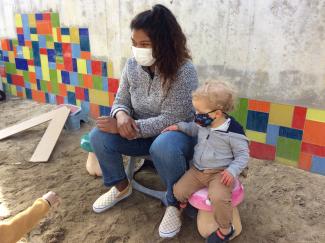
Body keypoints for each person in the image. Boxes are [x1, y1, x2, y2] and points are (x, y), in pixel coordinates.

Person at [89, 4, 198, 238]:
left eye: (145, 44)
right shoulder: (131, 65)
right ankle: (121, 186)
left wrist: (127, 129)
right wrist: (121, 115)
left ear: (165, 43)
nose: (138, 50)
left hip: (174, 136)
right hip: (136, 132)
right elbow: (121, 100)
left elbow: (172, 118)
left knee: (164, 145)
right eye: (135, 43)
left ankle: (174, 202)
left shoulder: (184, 71)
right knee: (98, 135)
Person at [163, 81, 249, 242]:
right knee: (178, 191)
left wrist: (232, 171)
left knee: (218, 198)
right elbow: (193, 128)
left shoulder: (234, 132)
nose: (196, 114)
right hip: (198, 170)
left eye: (200, 111)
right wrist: (179, 127)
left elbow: (243, 155)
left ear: (217, 113)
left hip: (220, 173)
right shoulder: (204, 122)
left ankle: (225, 229)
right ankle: (187, 206)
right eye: (195, 110)